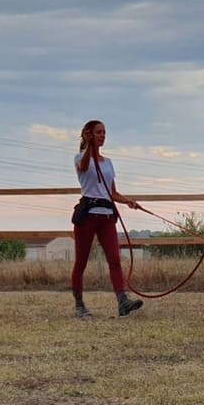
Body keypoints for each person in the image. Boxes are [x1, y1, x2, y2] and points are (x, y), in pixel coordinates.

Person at [71, 119, 143, 318]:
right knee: (81, 263)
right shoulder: (80, 158)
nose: (102, 136)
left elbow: (112, 192)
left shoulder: (108, 162)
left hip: (107, 216)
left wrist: (128, 201)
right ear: (88, 134)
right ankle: (79, 305)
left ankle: (122, 301)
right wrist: (90, 147)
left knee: (114, 260)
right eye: (98, 132)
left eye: (104, 132)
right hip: (87, 216)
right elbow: (85, 167)